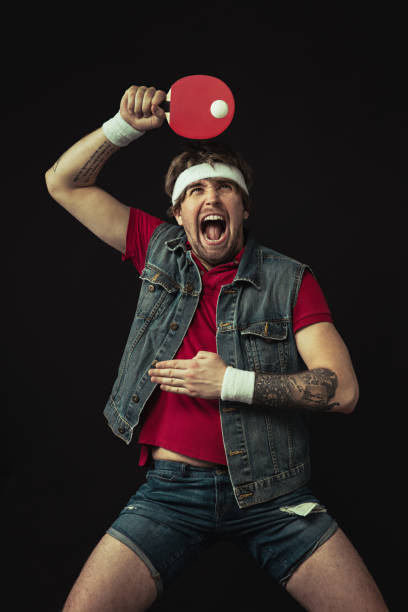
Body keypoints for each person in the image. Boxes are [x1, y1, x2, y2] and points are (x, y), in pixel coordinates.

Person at [45, 85, 388, 611]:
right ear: (179, 213)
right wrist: (124, 127)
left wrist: (229, 382)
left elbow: (341, 391)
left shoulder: (289, 280)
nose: (210, 198)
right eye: (195, 190)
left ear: (243, 207)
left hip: (275, 492)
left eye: (223, 189)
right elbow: (62, 182)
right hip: (170, 493)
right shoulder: (157, 249)